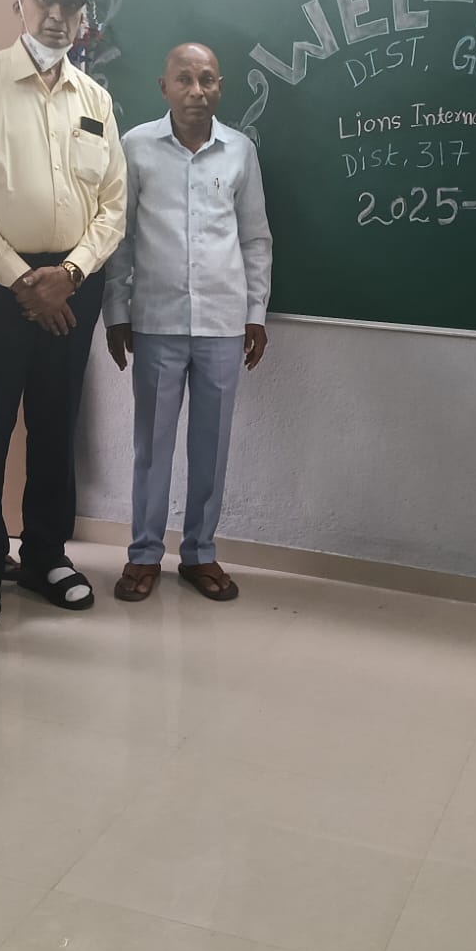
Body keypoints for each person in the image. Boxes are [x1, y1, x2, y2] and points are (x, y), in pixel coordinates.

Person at [0, 0, 126, 630]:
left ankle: (48, 553)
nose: (57, 15)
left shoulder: (95, 98)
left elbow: (114, 204)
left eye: (70, 5)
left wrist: (71, 273)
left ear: (83, 19)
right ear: (19, 4)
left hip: (74, 284)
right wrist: (20, 278)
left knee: (56, 422)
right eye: (44, 1)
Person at [103, 43, 272, 603]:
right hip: (156, 320)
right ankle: (144, 554)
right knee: (151, 444)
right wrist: (116, 314)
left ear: (220, 86)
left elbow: (254, 237)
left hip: (225, 322)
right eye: (185, 79)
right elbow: (119, 239)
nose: (197, 91)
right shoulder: (136, 148)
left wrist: (256, 313)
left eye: (207, 80)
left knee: (212, 443)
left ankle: (199, 553)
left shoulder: (240, 151)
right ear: (164, 86)